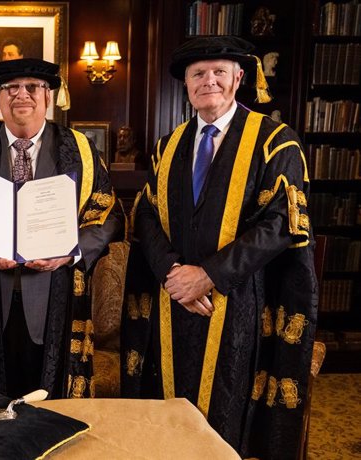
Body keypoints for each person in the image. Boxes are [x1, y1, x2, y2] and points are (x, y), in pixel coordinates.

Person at [121, 36, 317, 459]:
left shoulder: (274, 140)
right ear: (187, 84)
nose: (208, 80)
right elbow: (146, 216)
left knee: (226, 409)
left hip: (236, 302)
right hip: (173, 300)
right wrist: (175, 275)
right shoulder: (167, 145)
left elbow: (283, 222)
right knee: (166, 413)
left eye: (219, 72)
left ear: (239, 78)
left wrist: (207, 275)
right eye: (198, 74)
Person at [0, 58, 124, 401]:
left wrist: (71, 252)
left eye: (32, 87)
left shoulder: (80, 149)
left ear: (48, 97)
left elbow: (108, 215)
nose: (22, 95)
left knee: (50, 402)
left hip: (55, 293)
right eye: (10, 88)